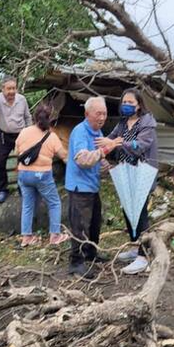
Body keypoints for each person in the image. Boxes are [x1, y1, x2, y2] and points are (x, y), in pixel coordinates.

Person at [95, 88, 159, 275]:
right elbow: (111, 138)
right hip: (126, 172)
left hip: (143, 172)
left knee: (140, 212)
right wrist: (101, 141)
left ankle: (144, 256)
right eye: (125, 102)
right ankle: (136, 246)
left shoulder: (147, 123)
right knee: (128, 210)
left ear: (139, 105)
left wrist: (118, 143)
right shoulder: (123, 123)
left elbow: (140, 146)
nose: (127, 105)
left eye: (131, 103)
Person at [65, 96, 111, 278]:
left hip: (92, 185)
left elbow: (98, 158)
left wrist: (105, 164)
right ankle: (75, 262)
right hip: (79, 187)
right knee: (79, 226)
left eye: (105, 114)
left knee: (94, 223)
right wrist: (105, 151)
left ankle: (91, 253)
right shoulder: (80, 132)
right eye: (98, 113)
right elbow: (83, 160)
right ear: (87, 114)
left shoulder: (97, 132)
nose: (102, 118)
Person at [15, 103, 69, 248]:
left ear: (34, 117)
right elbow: (64, 156)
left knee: (27, 205)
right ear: (50, 119)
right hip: (41, 175)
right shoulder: (52, 137)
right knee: (54, 203)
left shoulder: (24, 132)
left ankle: (26, 237)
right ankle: (55, 236)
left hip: (24, 174)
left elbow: (17, 152)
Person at [0, 75, 32, 203]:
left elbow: (28, 117)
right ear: (2, 89)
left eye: (14, 88)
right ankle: (2, 190)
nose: (12, 91)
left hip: (21, 134)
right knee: (0, 163)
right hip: (3, 135)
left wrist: (30, 132)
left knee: (24, 162)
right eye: (9, 89)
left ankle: (22, 187)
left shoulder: (22, 99)